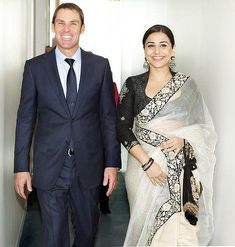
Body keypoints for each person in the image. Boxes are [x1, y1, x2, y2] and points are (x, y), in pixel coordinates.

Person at [14, 3, 121, 247]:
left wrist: (112, 163)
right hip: (50, 165)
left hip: (88, 165)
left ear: (82, 28)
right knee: (54, 238)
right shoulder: (35, 68)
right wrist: (21, 167)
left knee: (86, 233)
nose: (66, 29)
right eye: (60, 22)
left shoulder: (100, 66)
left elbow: (107, 118)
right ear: (53, 27)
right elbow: (25, 120)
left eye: (73, 23)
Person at [117, 24, 216, 246]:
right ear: (144, 50)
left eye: (163, 45)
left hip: (181, 169)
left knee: (181, 232)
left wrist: (184, 140)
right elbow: (122, 129)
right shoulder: (133, 85)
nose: (157, 51)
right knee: (145, 227)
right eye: (150, 46)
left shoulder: (188, 85)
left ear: (173, 50)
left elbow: (202, 128)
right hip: (142, 169)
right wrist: (148, 164)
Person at [99, 82, 119, 214]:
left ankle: (104, 202)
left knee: (105, 168)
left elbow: (115, 107)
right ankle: (103, 204)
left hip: (105, 134)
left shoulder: (112, 86)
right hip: (90, 135)